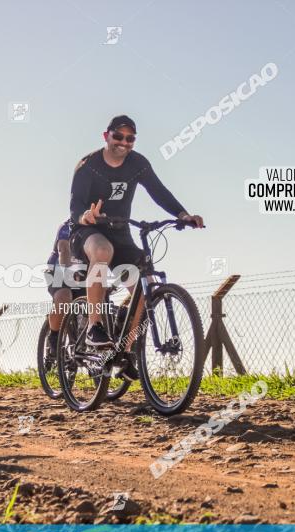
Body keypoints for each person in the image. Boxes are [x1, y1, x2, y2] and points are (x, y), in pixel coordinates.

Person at [69, 115, 205, 366]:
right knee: (102, 250)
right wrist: (85, 215)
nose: (124, 142)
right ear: (106, 136)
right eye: (118, 136)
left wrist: (183, 215)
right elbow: (75, 205)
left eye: (130, 138)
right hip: (86, 231)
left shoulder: (137, 163)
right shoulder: (89, 165)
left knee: (146, 283)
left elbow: (158, 191)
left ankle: (125, 351)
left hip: (120, 233)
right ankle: (94, 326)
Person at [43, 219, 85, 364]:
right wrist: (68, 272)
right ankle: (54, 337)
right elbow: (64, 249)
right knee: (64, 297)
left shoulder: (100, 227)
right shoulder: (67, 226)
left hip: (82, 273)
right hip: (58, 269)